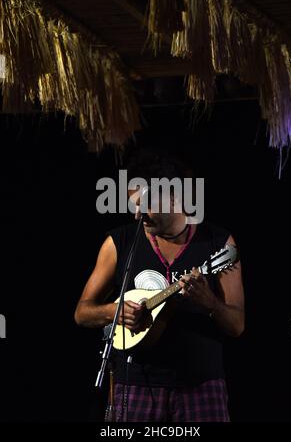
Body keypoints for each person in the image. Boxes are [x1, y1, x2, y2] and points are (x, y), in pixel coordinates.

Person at [74, 151, 245, 422]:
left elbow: (237, 325)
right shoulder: (119, 242)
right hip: (135, 383)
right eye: (134, 206)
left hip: (201, 385)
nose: (138, 215)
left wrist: (210, 303)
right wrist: (116, 311)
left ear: (175, 196)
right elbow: (82, 312)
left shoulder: (219, 242)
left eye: (146, 205)